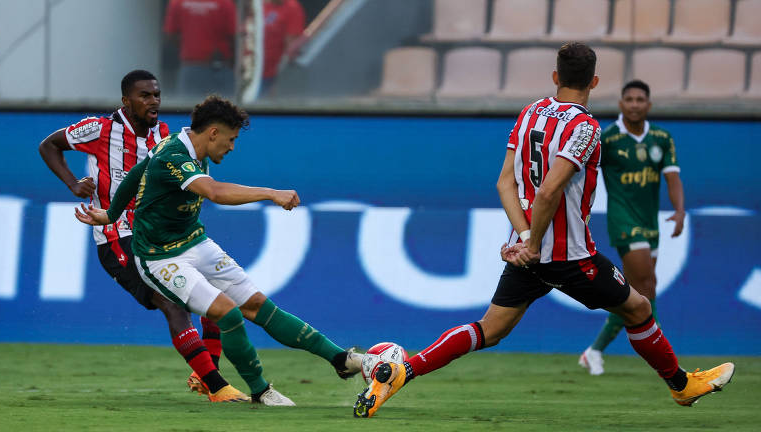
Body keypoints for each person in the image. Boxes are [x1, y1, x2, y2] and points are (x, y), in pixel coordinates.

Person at [353, 42, 734, 418]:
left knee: (491, 328)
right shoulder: (586, 128)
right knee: (638, 308)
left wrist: (522, 239)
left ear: (555, 76)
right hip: (569, 256)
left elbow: (505, 183)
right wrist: (534, 242)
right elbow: (551, 189)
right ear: (594, 81)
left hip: (530, 252)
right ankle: (681, 385)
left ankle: (403, 371)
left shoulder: (531, 112)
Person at [75, 95, 363, 405]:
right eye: (231, 139)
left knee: (258, 306)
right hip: (160, 258)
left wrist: (112, 213)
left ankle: (340, 359)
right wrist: (270, 193)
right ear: (213, 133)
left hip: (194, 241)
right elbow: (213, 192)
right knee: (228, 314)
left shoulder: (187, 147)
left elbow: (136, 174)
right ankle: (261, 391)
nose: (232, 146)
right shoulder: (174, 154)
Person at [39, 70, 244, 402]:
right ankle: (218, 387)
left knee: (210, 296)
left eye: (157, 95)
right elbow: (48, 145)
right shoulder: (99, 130)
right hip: (116, 237)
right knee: (171, 303)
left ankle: (206, 373)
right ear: (126, 101)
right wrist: (73, 184)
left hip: (158, 235)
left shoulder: (163, 135)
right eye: (145, 96)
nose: (153, 102)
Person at [579, 80, 685, 375]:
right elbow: (583, 173)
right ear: (621, 104)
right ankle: (664, 359)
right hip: (623, 221)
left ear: (648, 105)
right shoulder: (608, 139)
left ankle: (594, 350)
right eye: (630, 99)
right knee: (648, 285)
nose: (635, 104)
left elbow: (673, 177)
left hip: (650, 222)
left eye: (640, 99)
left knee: (636, 292)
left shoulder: (662, 138)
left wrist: (679, 211)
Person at [163, 0, 237, 99]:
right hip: (219, 68)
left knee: (189, 109)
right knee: (223, 111)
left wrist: (189, 47)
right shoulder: (225, 3)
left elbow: (170, 35)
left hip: (192, 68)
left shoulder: (178, 2)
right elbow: (235, 37)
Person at [260, 0, 306, 94]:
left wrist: (280, 83)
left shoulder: (292, 8)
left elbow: (290, 50)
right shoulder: (256, 5)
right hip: (246, 74)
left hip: (270, 78)